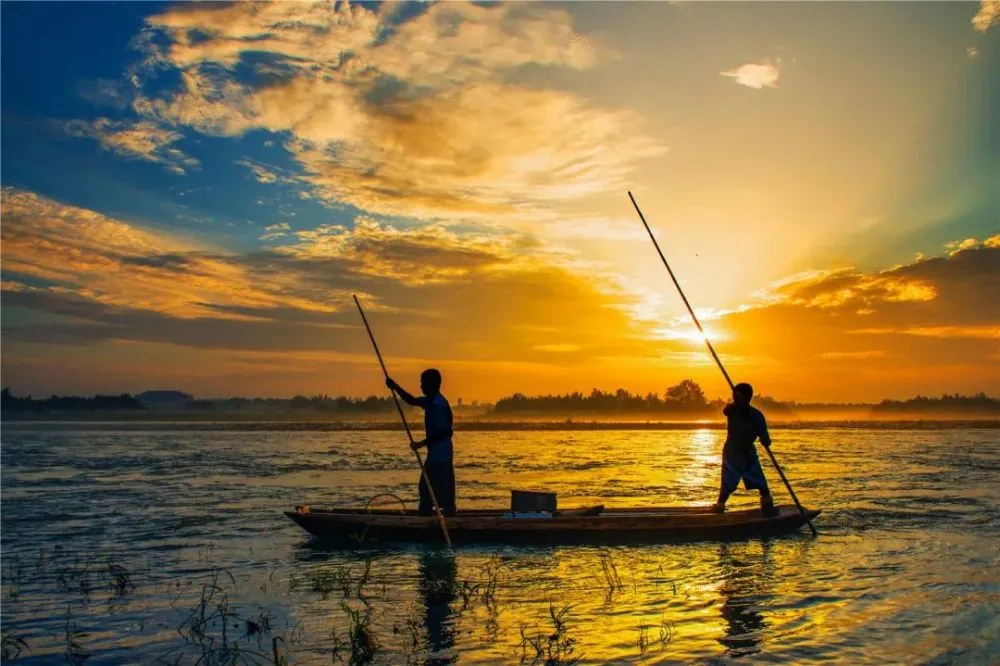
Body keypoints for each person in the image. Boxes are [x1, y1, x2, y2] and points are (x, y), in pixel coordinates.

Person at [385, 369, 457, 517]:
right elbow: (411, 400)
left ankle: (447, 518)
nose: (421, 386)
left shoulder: (440, 405)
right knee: (426, 487)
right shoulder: (429, 401)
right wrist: (394, 386)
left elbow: (443, 432)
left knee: (438, 488)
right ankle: (427, 515)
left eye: (423, 383)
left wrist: (420, 444)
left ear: (434, 384)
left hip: (442, 454)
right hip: (434, 455)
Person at [711, 382, 778, 516]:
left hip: (748, 454)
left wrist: (765, 440)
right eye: (734, 396)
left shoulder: (756, 416)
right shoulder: (732, 410)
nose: (736, 399)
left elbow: (765, 438)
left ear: (748, 397)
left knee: (761, 484)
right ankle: (719, 509)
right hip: (732, 453)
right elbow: (726, 410)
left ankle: (768, 508)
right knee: (727, 484)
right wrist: (735, 401)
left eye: (739, 396)